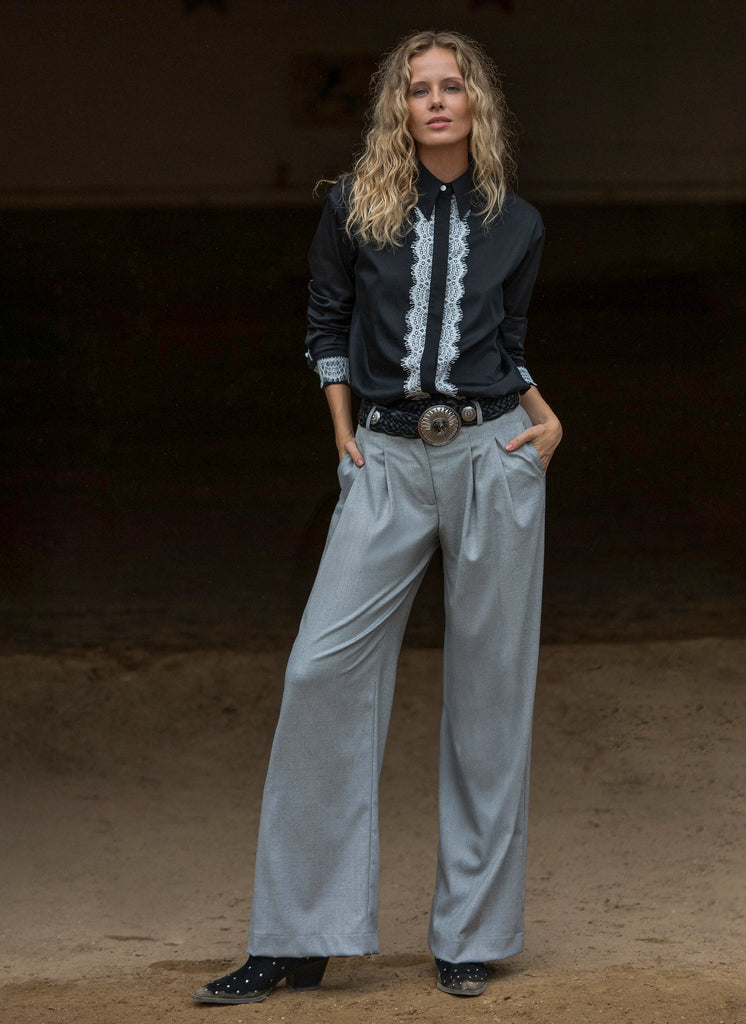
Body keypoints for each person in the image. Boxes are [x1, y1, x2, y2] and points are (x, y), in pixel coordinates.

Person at [193, 28, 562, 1004]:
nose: (435, 101)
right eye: (417, 88)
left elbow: (505, 340)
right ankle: (296, 936)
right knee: (319, 670)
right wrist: (342, 433)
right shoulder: (354, 207)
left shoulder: (518, 222)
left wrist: (546, 418)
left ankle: (471, 933)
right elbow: (325, 323)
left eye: (451, 86)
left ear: (476, 103)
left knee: (491, 697)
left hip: (492, 455)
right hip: (386, 459)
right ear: (397, 108)